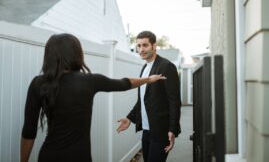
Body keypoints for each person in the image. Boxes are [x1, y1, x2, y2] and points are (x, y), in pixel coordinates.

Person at [20, 33, 166, 162]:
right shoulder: (89, 81)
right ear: (76, 53)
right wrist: (147, 79)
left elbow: (28, 131)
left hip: (49, 155)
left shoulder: (38, 83)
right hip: (79, 156)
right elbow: (125, 83)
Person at [117, 31, 181, 162]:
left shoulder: (167, 66)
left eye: (145, 45)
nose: (141, 49)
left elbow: (174, 101)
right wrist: (130, 118)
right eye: (139, 46)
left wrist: (172, 129)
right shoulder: (145, 68)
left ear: (154, 45)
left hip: (161, 131)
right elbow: (143, 99)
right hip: (146, 130)